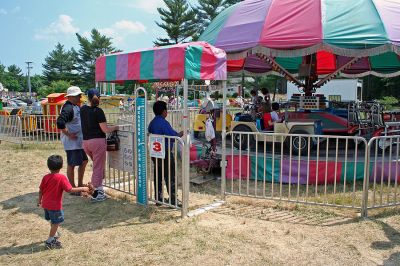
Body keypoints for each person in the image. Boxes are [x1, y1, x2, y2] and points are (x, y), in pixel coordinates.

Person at [38, 155, 89, 249]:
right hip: (55, 206)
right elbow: (69, 190)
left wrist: (39, 200)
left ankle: (54, 233)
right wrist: (83, 188)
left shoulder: (45, 177)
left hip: (45, 204)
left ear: (48, 166)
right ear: (61, 166)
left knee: (53, 220)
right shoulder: (61, 177)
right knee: (56, 222)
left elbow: (41, 189)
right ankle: (50, 240)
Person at [80, 89, 119, 202]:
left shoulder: (83, 109)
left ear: (88, 97)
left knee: (98, 166)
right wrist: (116, 127)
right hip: (97, 142)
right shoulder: (98, 111)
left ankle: (99, 190)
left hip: (86, 142)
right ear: (99, 98)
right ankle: (97, 193)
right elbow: (105, 129)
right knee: (98, 167)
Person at [148, 101, 183, 206]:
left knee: (158, 175)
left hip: (155, 153)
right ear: (164, 111)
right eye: (166, 110)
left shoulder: (152, 122)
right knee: (170, 175)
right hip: (165, 153)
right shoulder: (164, 123)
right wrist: (181, 133)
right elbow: (172, 136)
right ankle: (173, 199)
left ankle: (158, 198)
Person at [56, 86, 88, 192]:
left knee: (84, 161)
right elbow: (60, 122)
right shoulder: (68, 108)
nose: (80, 97)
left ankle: (79, 184)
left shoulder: (74, 106)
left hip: (78, 141)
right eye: (78, 95)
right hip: (72, 143)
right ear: (71, 97)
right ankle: (72, 187)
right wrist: (68, 134)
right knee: (72, 164)